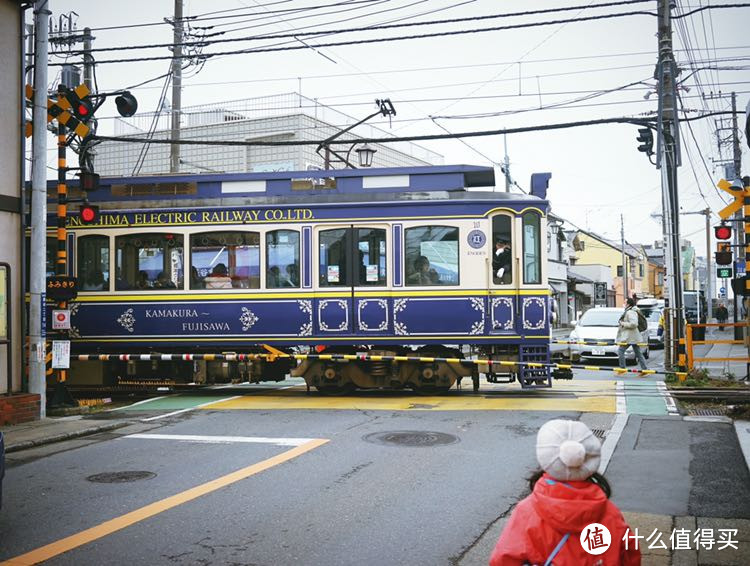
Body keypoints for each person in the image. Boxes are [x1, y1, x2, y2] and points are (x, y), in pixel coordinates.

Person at [489, 419, 641, 566]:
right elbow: (631, 557)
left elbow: (502, 560)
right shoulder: (610, 514)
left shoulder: (527, 512)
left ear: (546, 459)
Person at [617, 297, 648, 373]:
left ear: (628, 304)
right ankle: (645, 369)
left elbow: (634, 324)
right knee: (638, 353)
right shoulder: (630, 311)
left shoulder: (630, 312)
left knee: (620, 351)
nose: (624, 304)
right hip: (633, 336)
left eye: (625, 302)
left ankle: (622, 369)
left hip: (630, 337)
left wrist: (623, 324)